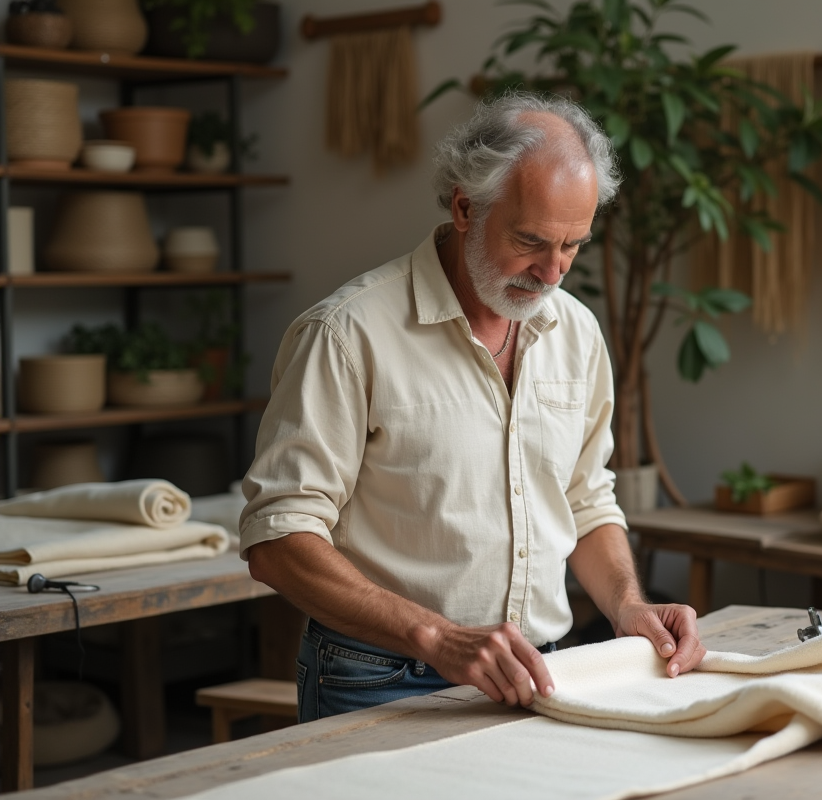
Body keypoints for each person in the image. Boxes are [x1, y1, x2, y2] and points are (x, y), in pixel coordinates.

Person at [239, 92, 706, 722]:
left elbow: (584, 500)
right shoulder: (347, 334)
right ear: (465, 206)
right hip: (380, 678)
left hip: (544, 671)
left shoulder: (576, 332)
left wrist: (628, 605)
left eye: (573, 246)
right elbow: (278, 538)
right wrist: (436, 637)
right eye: (532, 241)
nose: (552, 273)